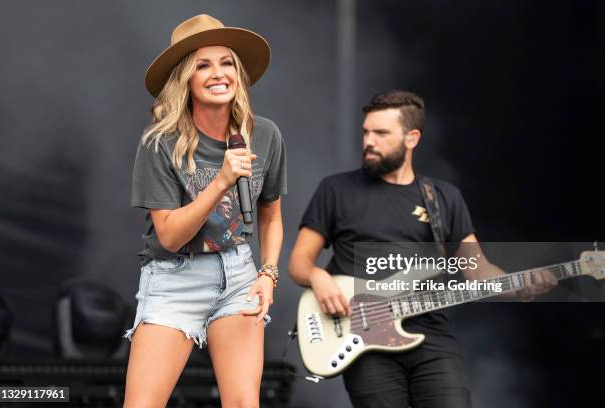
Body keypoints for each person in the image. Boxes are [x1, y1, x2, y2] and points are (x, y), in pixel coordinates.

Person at [288, 90, 556, 407]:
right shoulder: (336, 190)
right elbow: (298, 262)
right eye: (366, 132)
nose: (368, 141)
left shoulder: (443, 197)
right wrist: (319, 277)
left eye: (381, 133)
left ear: (412, 138)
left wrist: (518, 287)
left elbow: (476, 269)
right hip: (365, 339)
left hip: (433, 337)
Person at [123, 14, 286, 408]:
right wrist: (221, 182)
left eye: (227, 62)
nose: (218, 73)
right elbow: (170, 235)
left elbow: (271, 215)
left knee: (245, 403)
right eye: (203, 64)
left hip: (238, 276)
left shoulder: (264, 134)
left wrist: (268, 273)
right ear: (186, 79)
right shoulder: (160, 144)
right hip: (174, 278)